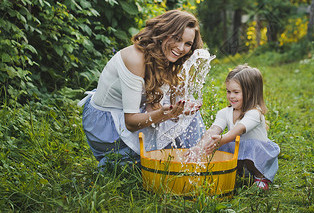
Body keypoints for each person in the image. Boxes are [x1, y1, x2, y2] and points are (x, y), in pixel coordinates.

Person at [78, 10, 205, 167]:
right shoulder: (135, 59)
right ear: (164, 32)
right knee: (162, 150)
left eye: (187, 44)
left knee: (188, 118)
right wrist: (163, 115)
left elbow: (153, 105)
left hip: (132, 111)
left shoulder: (164, 57)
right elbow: (131, 122)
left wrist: (175, 113)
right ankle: (113, 162)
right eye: (177, 39)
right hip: (106, 125)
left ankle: (196, 161)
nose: (181, 48)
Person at [187, 64, 280, 190]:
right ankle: (235, 173)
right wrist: (199, 147)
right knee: (220, 144)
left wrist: (223, 139)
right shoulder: (225, 112)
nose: (231, 96)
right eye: (228, 91)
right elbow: (214, 129)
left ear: (251, 93)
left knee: (242, 143)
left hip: (258, 159)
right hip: (241, 156)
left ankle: (261, 177)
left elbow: (239, 129)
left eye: (236, 92)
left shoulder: (254, 113)